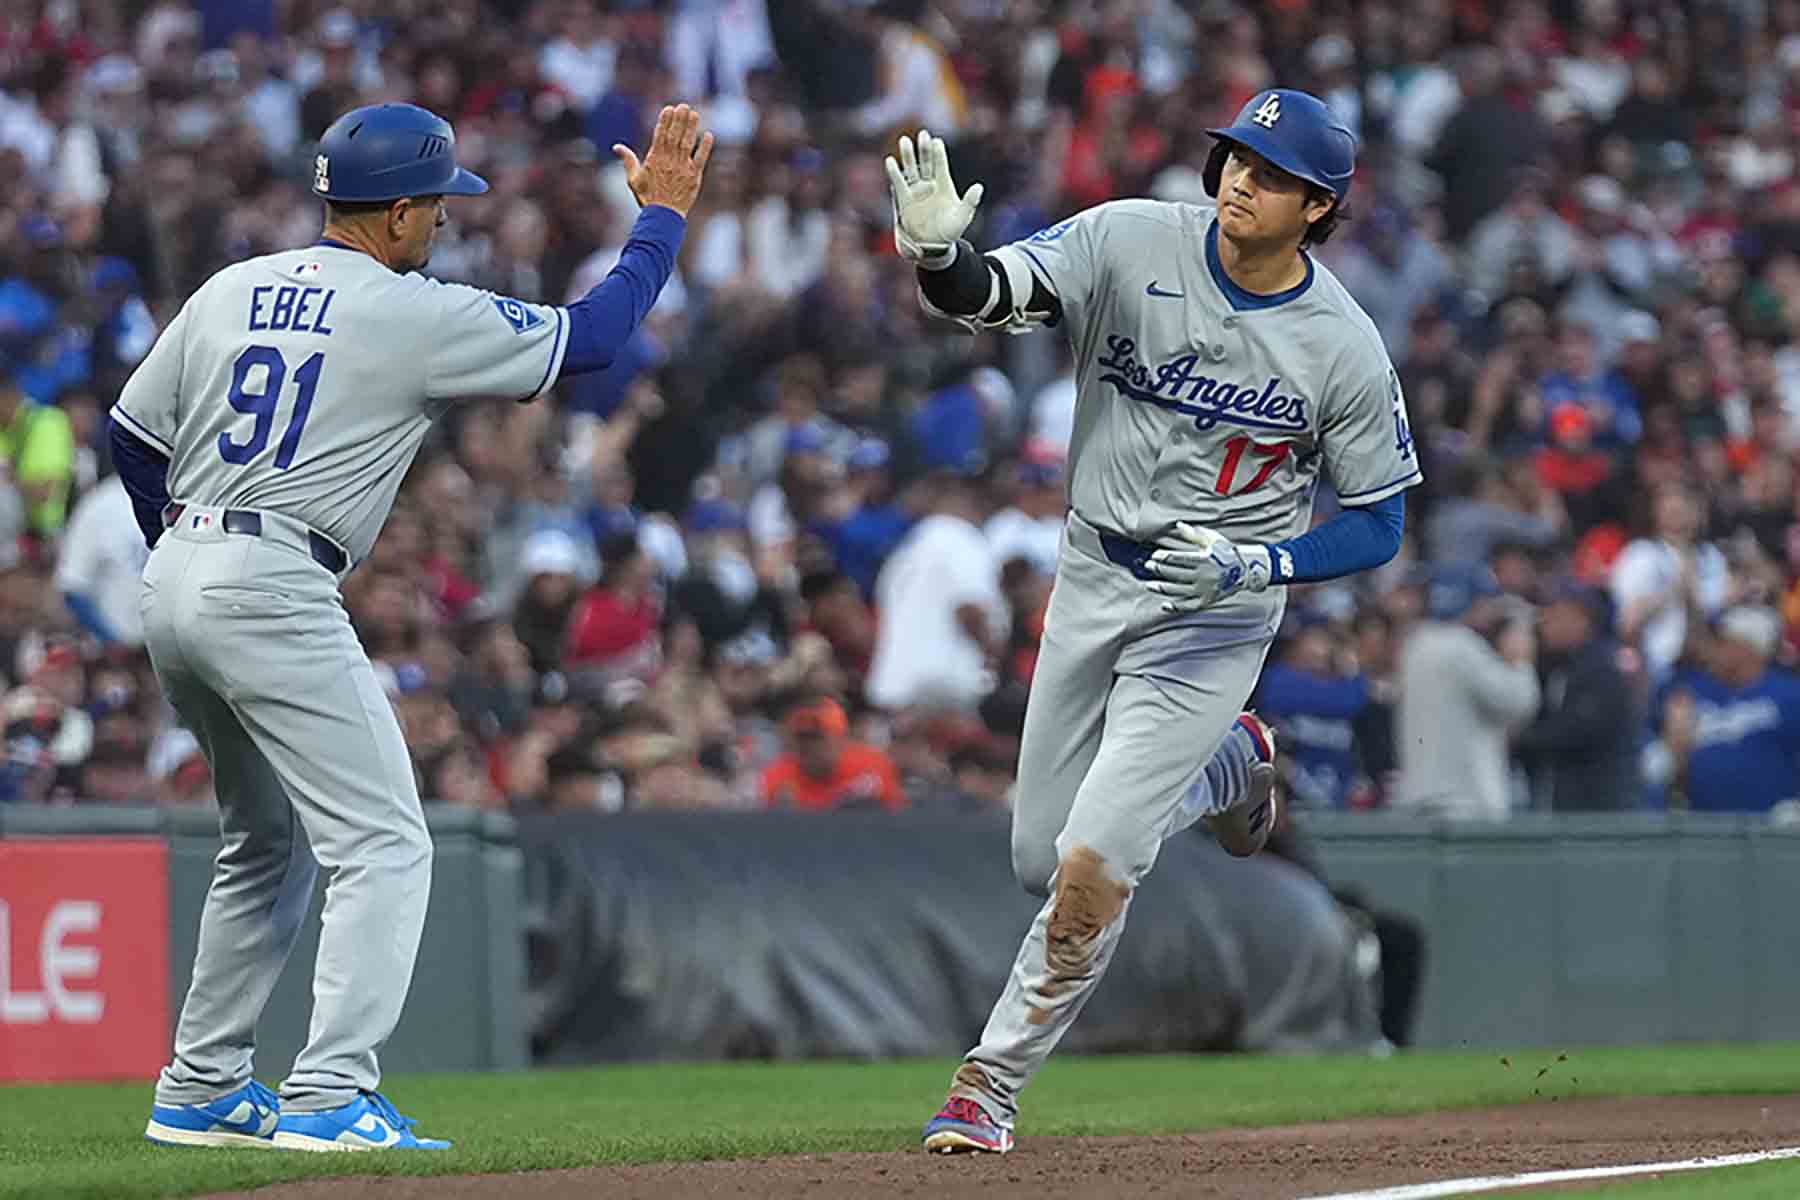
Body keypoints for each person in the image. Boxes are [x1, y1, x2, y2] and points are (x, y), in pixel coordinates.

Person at [115, 101, 711, 1151]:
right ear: (393, 215)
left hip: (179, 571)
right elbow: (598, 339)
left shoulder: (232, 287)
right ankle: (331, 1093)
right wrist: (660, 219)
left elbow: (131, 435)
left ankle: (203, 1085)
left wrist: (183, 549)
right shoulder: (408, 308)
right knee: (385, 841)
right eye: (434, 206)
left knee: (266, 841)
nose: (443, 223)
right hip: (271, 577)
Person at [888, 88, 1419, 1154]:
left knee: (1094, 862)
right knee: (1043, 857)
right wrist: (940, 261)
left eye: (1268, 174)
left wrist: (1262, 560)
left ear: (1319, 206)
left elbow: (1379, 523)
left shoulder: (1343, 344)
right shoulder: (1131, 237)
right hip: (1094, 574)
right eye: (1233, 158)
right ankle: (1230, 771)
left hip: (1214, 609)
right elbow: (997, 294)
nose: (1237, 180)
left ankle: (987, 1087)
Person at [1393, 565, 1540, 819]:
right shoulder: (1463, 647)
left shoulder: (1416, 643)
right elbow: (1518, 701)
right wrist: (1520, 659)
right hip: (1465, 800)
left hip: (1423, 797)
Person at [1651, 606, 1800, 815]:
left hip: (1769, 830)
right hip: (1704, 828)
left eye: (1721, 642)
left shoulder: (1789, 695)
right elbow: (1668, 761)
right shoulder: (1691, 691)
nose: (1711, 650)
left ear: (1749, 648)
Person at [1514, 581, 1641, 811]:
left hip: (1597, 810)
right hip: (1564, 805)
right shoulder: (1556, 666)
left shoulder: (1601, 669)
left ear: (1581, 620)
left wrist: (1519, 739)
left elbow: (1575, 731)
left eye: (1555, 617)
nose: (1545, 626)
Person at [758, 695, 906, 812]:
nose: (807, 747)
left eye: (817, 738)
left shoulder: (873, 767)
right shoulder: (777, 778)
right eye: (801, 738)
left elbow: (897, 823)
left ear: (841, 740)